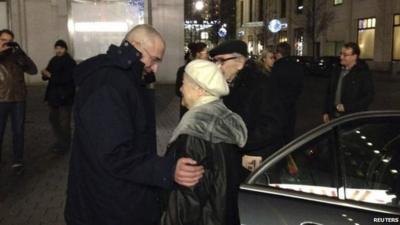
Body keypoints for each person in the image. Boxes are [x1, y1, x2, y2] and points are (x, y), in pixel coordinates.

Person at [64, 24, 204, 225]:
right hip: (105, 208)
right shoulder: (108, 84)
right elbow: (114, 154)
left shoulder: (125, 80)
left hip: (116, 200)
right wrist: (167, 170)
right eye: (154, 59)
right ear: (135, 47)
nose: (155, 67)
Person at [160, 59, 247, 225]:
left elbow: (186, 200)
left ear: (199, 89)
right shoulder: (225, 122)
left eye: (183, 83)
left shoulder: (196, 131)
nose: (180, 89)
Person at [209, 40, 283, 178]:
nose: (217, 66)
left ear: (239, 62)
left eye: (221, 61)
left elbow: (271, 126)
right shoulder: (228, 84)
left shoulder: (260, 85)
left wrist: (250, 149)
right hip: (231, 158)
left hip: (251, 161)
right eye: (214, 61)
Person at [0, 29, 37, 175]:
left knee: (18, 131)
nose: (6, 43)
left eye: (9, 40)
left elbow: (33, 70)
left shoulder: (16, 55)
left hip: (18, 99)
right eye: (3, 39)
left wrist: (20, 52)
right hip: (1, 98)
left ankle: (18, 160)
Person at [322, 42, 374, 123]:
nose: (341, 57)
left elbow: (368, 97)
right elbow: (329, 93)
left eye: (345, 55)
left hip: (351, 119)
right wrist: (326, 111)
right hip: (333, 117)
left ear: (354, 56)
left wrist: (347, 107)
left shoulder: (363, 73)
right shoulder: (336, 70)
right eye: (341, 54)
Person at [41, 39, 76, 154]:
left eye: (61, 48)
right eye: (57, 48)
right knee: (54, 120)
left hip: (65, 97)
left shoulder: (70, 62)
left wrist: (50, 75)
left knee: (64, 122)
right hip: (54, 97)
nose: (58, 50)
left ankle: (65, 144)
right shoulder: (53, 60)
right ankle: (60, 141)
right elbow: (48, 76)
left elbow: (67, 79)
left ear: (65, 49)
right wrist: (44, 74)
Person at [270, 42, 304, 145]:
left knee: (278, 134)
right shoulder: (296, 66)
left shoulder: (277, 67)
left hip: (278, 106)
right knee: (289, 133)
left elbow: (273, 87)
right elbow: (300, 85)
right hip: (291, 105)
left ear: (279, 53)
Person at [175, 42, 209, 118]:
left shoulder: (209, 70)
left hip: (204, 112)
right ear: (198, 54)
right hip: (189, 111)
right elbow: (178, 91)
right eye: (206, 53)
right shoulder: (184, 70)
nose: (208, 55)